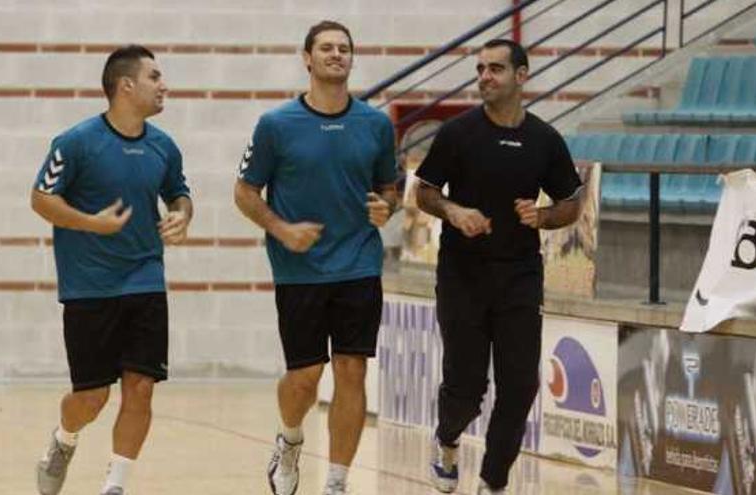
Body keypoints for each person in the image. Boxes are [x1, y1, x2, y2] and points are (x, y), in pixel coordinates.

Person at [233, 20, 398, 495]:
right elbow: (244, 192)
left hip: (359, 263)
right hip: (298, 269)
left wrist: (388, 206)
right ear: (307, 58)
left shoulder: (375, 124)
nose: (336, 54)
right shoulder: (276, 125)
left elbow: (390, 190)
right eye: (326, 48)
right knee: (305, 377)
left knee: (352, 369)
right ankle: (289, 438)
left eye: (344, 48)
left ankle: (337, 481)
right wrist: (281, 229)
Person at [415, 39, 583, 494]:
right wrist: (453, 212)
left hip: (520, 277)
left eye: (495, 69)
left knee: (520, 387)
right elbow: (424, 191)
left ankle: (493, 482)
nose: (485, 77)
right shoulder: (457, 133)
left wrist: (543, 217)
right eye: (480, 69)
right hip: (462, 277)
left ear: (521, 76)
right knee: (467, 389)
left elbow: (571, 202)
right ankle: (447, 439)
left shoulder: (545, 139)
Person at [30, 44, 192, 495]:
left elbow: (179, 192)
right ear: (126, 86)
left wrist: (182, 214)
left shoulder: (164, 146)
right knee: (92, 398)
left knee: (141, 388)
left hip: (145, 280)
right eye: (155, 77)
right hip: (89, 288)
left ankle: (115, 485)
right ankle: (64, 439)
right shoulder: (75, 142)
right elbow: (41, 198)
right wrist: (91, 224)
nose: (164, 86)